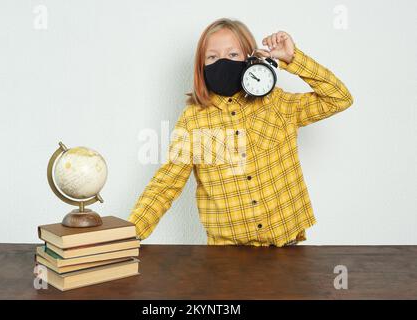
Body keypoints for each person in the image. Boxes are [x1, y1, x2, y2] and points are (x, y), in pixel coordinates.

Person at [128, 18, 354, 247]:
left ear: (251, 59)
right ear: (201, 67)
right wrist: (127, 235)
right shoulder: (193, 121)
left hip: (285, 247)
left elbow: (339, 98)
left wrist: (292, 59)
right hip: (227, 255)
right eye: (212, 57)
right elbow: (167, 183)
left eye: (233, 54)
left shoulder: (279, 104)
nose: (223, 62)